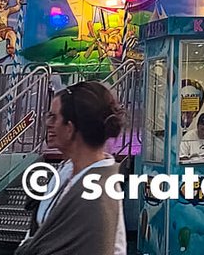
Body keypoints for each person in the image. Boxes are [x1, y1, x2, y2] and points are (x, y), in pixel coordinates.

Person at [19, 82, 126, 255]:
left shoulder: (93, 195)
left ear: (69, 129)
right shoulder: (71, 174)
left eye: (54, 117)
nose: (48, 123)